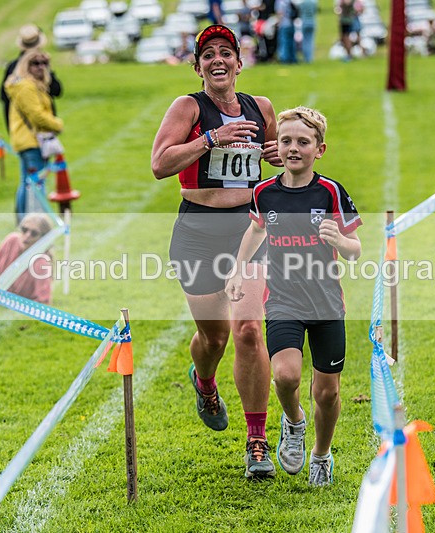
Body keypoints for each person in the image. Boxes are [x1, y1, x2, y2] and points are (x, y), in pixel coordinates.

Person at [150, 24, 282, 479]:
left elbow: (276, 157)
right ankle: (204, 383)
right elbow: (159, 165)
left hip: (249, 230)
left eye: (226, 52)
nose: (218, 60)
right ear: (198, 67)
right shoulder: (188, 107)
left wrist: (279, 155)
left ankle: (257, 440)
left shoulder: (260, 107)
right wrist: (210, 140)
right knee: (214, 338)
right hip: (198, 231)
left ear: (240, 63)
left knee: (248, 330)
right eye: (208, 55)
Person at [226, 107, 362, 486]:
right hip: (282, 300)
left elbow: (355, 249)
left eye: (303, 142)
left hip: (326, 304)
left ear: (319, 149)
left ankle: (321, 453)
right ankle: (294, 421)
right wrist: (238, 269)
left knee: (327, 393)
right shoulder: (264, 192)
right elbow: (256, 230)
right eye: (286, 141)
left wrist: (340, 241)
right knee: (286, 376)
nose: (293, 148)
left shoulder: (331, 191)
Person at [5, 48, 64, 223]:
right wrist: (57, 124)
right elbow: (36, 116)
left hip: (28, 139)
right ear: (25, 65)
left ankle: (24, 222)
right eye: (35, 63)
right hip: (31, 141)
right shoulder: (26, 87)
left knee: (27, 182)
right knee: (36, 184)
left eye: (45, 63)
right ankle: (33, 223)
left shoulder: (30, 85)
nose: (41, 67)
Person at [0, 25, 63, 132]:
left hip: (19, 127)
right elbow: (56, 90)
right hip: (39, 128)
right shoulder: (41, 66)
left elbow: (4, 97)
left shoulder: (12, 67)